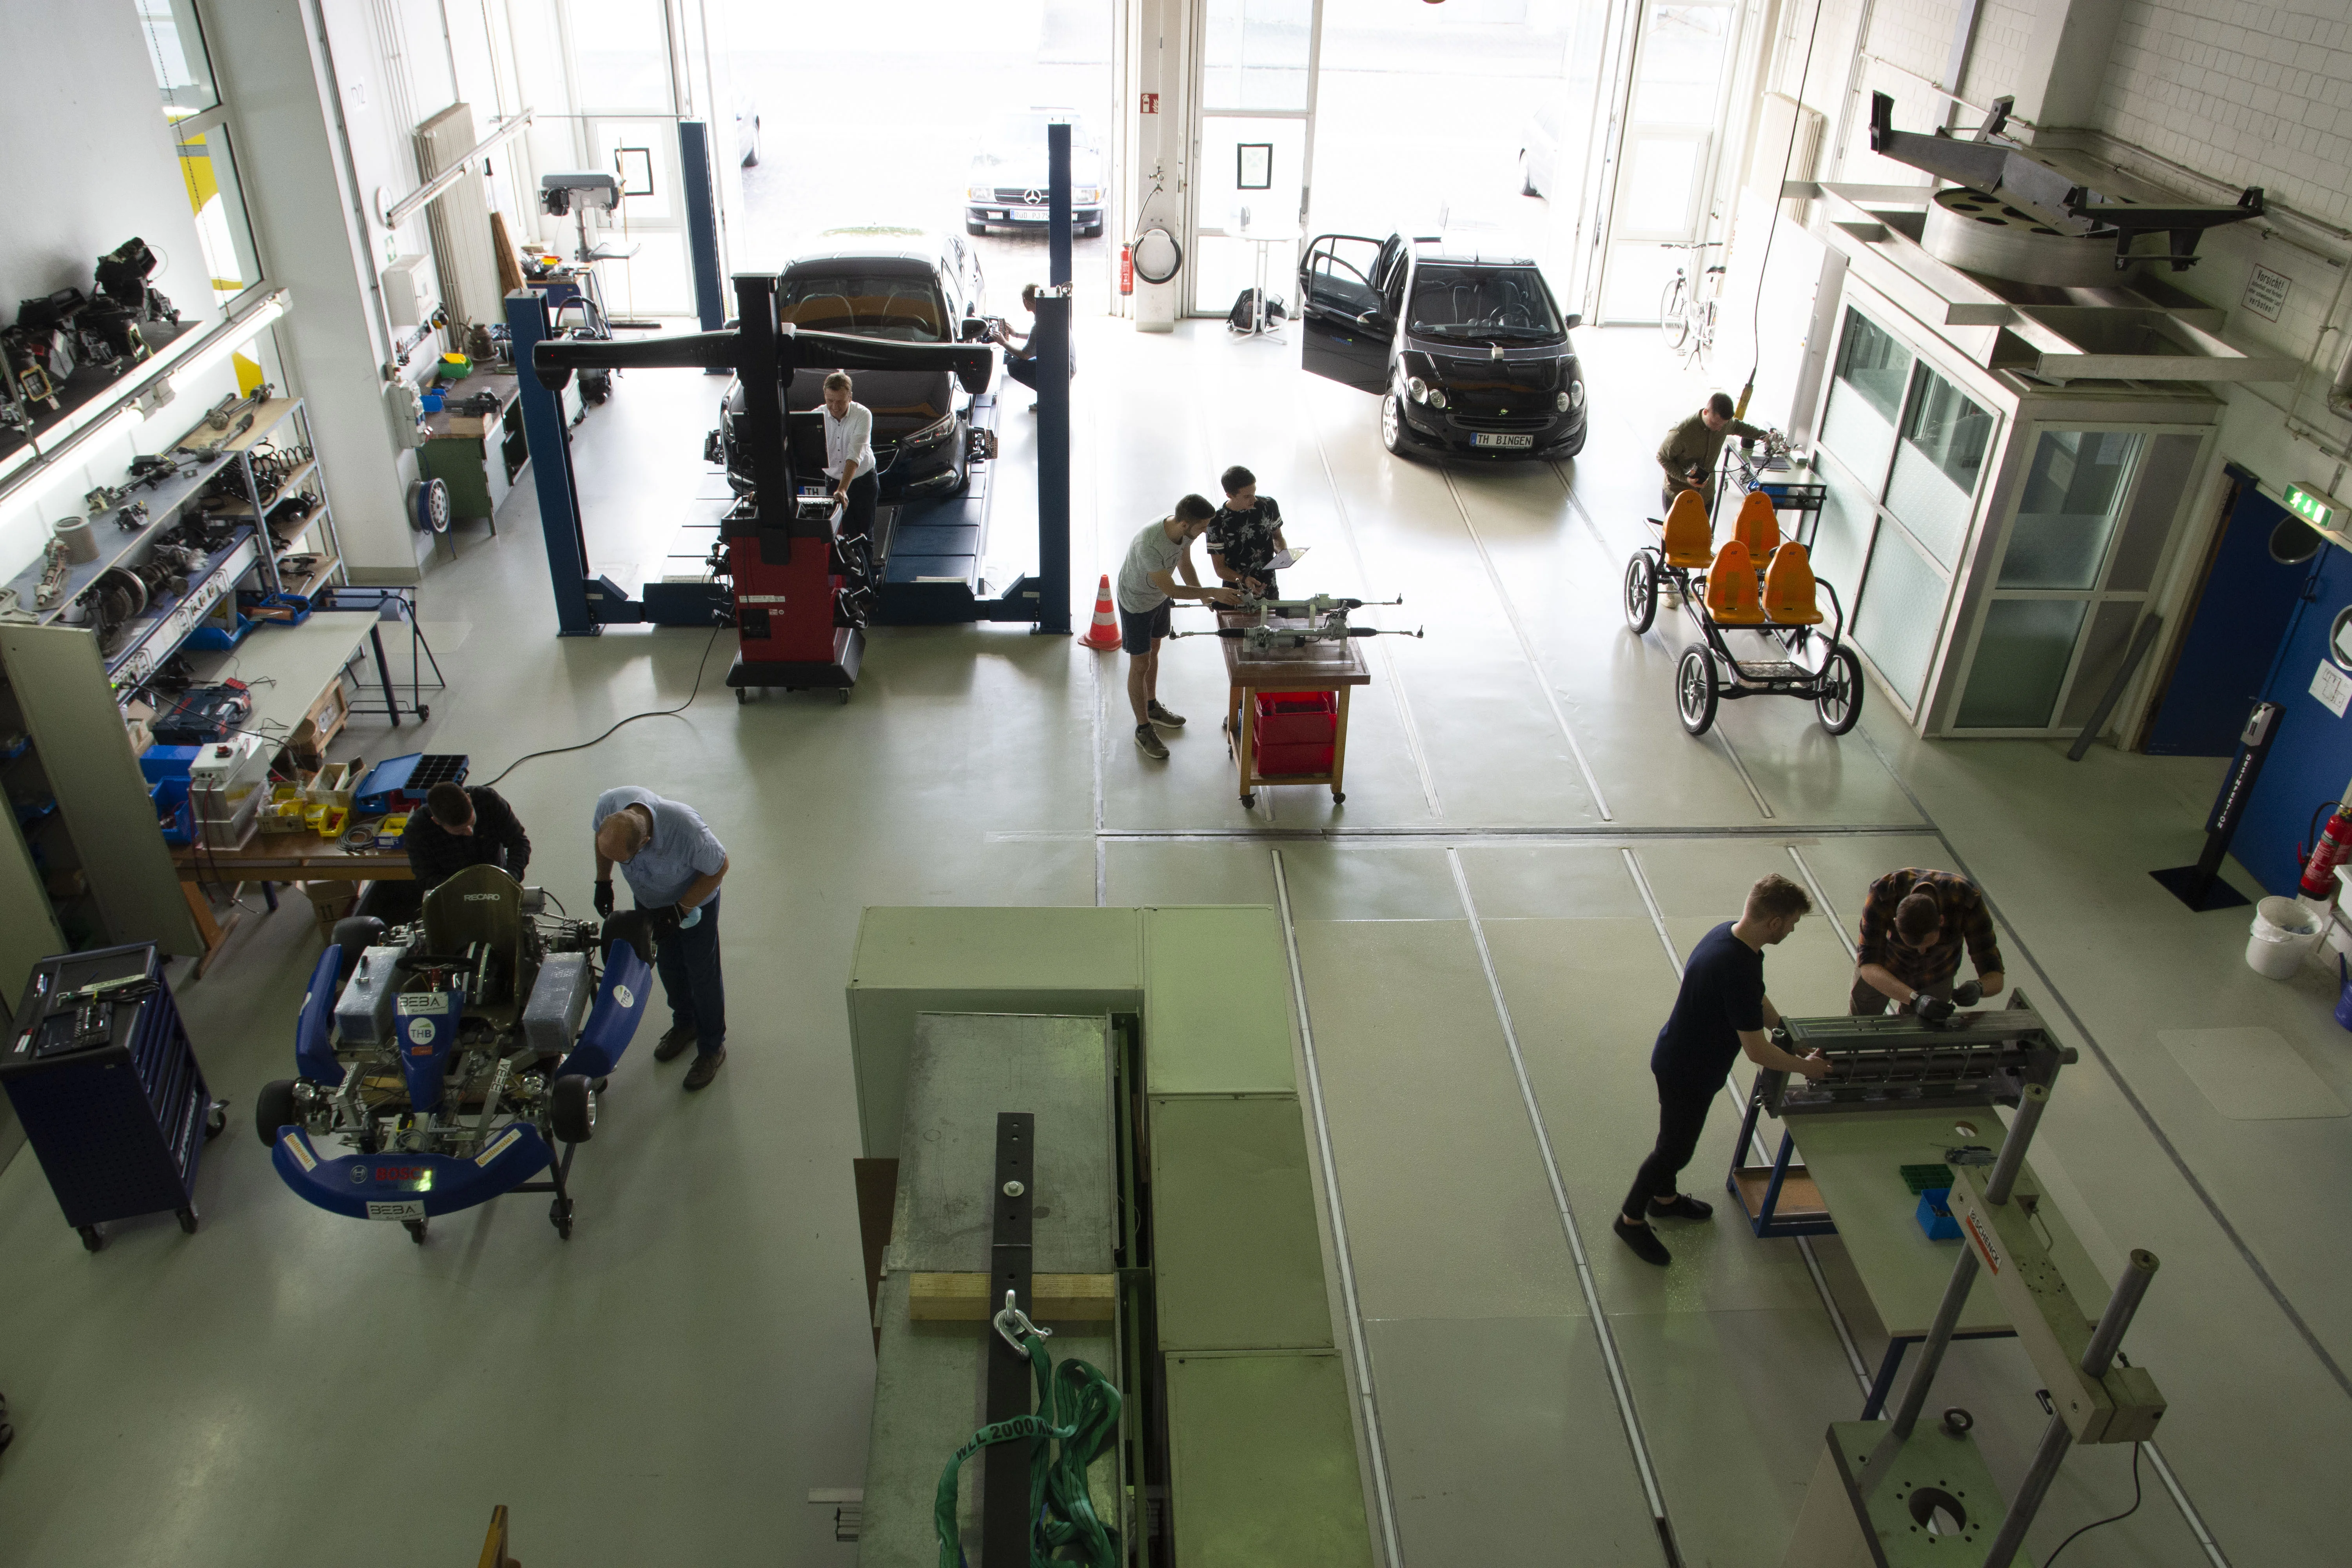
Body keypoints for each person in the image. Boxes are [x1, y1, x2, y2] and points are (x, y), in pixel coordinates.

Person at [1616, 873, 1830, 1267]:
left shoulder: (1731, 940)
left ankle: (1663, 1201)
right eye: (1794, 923)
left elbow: (1755, 1000)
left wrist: (1787, 1032)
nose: (1793, 930)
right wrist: (1807, 1067)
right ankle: (1630, 1219)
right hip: (1688, 1071)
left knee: (1675, 1138)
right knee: (1674, 1149)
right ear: (1775, 923)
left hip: (1683, 1058)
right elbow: (1756, 1051)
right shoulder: (1737, 966)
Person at [592, 787, 731, 1090]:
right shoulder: (609, 804)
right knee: (667, 964)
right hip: (651, 900)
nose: (619, 864)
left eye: (623, 861)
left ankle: (711, 1047)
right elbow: (602, 842)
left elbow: (720, 867)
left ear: (644, 842)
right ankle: (685, 1023)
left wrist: (680, 911)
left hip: (692, 904)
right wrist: (603, 880)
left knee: (701, 970)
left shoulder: (686, 830)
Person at [1116, 495, 1240, 760]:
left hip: (1158, 600)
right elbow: (1172, 588)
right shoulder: (1149, 545)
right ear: (1185, 524)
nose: (1206, 530)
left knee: (1155, 651)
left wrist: (1207, 599)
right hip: (1137, 603)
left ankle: (1152, 706)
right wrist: (1212, 592)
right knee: (1140, 665)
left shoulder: (1184, 532)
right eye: (1203, 526)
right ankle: (1143, 728)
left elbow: (1184, 564)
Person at [1851, 868, 2005, 1019]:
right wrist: (1916, 999)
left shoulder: (1967, 900)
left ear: (1942, 920)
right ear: (1896, 922)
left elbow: (1994, 973)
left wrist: (1979, 988)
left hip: (1937, 974)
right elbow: (1868, 966)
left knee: (1922, 1036)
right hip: (1884, 969)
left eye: (1929, 945)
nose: (1922, 952)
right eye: (1913, 945)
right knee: (1858, 1024)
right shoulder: (1883, 893)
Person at [402, 781, 531, 893]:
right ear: (436, 822)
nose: (470, 833)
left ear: (469, 799)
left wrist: (511, 878)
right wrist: (468, 888)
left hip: (498, 879)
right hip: (454, 894)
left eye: (472, 824)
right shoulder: (417, 830)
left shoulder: (489, 801)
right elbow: (426, 878)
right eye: (460, 831)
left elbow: (519, 842)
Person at [1657, 392, 1768, 515]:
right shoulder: (1681, 433)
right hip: (1679, 495)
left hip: (1706, 496)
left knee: (1703, 534)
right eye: (1715, 424)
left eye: (1723, 425)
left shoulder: (1722, 425)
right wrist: (1686, 479)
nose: (1720, 429)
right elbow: (1662, 458)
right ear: (1706, 412)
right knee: (1676, 534)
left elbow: (1738, 427)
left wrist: (1764, 436)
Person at [1207, 465, 1289, 599]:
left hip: (1269, 588)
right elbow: (1220, 569)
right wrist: (1244, 579)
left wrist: (1283, 555)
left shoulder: (1269, 506)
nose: (1254, 499)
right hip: (1236, 594)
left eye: (1254, 493)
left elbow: (1277, 537)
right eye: (1247, 497)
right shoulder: (1216, 522)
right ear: (1230, 495)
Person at [819, 371, 879, 543]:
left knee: (864, 534)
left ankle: (866, 568)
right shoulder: (817, 416)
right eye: (830, 401)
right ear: (825, 396)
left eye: (840, 402)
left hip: (863, 481)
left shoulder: (863, 415)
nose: (835, 407)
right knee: (838, 536)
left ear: (850, 397)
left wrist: (843, 489)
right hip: (832, 482)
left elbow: (855, 454)